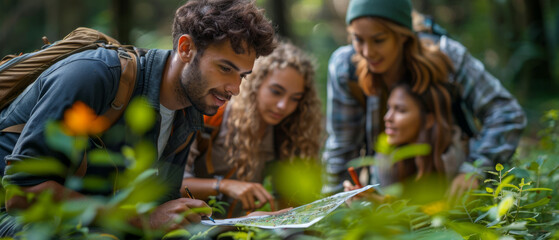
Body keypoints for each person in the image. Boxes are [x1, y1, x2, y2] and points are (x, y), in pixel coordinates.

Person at [0, 0, 276, 236]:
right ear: (185, 49)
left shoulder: (193, 106)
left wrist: (245, 227)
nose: (235, 89)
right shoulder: (93, 75)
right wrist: (140, 219)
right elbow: (21, 195)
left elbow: (160, 211)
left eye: (242, 75)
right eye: (225, 68)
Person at [323, 0, 526, 199]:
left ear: (402, 35)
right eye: (358, 39)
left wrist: (474, 170)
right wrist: (335, 208)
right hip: (388, 192)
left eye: (378, 40)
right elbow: (342, 149)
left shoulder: (447, 55)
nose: (367, 52)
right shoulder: (346, 69)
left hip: (452, 188)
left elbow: (506, 112)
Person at [181, 42, 322, 217]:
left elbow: (294, 203)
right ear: (255, 84)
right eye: (276, 92)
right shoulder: (210, 116)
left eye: (295, 98)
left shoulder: (287, 135)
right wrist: (223, 185)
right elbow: (177, 184)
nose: (283, 106)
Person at [343, 81, 468, 203]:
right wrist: (364, 200)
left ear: (429, 119)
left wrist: (380, 201)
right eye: (388, 108)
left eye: (400, 110)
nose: (387, 117)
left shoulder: (455, 160)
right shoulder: (386, 159)